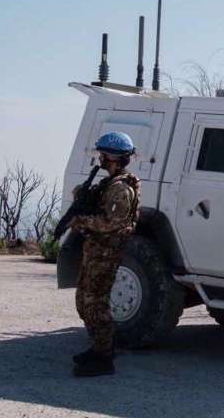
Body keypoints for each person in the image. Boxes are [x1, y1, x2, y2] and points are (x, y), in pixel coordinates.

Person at [69, 131, 141, 377]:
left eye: (103, 153)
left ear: (113, 156)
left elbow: (113, 222)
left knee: (96, 303)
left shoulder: (121, 189)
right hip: (96, 250)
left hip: (106, 254)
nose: (99, 157)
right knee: (84, 301)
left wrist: (83, 221)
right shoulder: (109, 184)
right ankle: (99, 347)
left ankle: (104, 357)